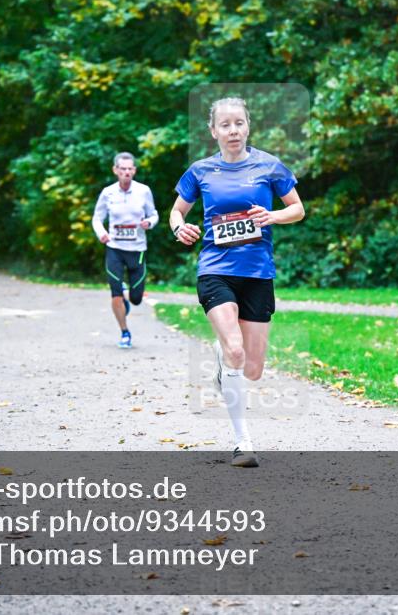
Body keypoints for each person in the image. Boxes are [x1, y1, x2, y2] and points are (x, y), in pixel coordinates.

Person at [169, 97, 305, 468]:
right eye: (225, 125)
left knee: (253, 368)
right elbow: (176, 211)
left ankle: (222, 356)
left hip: (258, 273)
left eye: (239, 123)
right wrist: (180, 227)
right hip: (215, 269)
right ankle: (242, 443)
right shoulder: (200, 171)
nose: (233, 131)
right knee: (235, 348)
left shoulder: (270, 166)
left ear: (248, 127)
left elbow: (298, 208)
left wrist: (273, 215)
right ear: (213, 131)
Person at [92, 152, 159, 348]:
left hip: (137, 249)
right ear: (115, 170)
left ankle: (127, 297)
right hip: (114, 248)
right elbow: (97, 218)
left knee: (137, 298)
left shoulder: (144, 191)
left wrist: (149, 222)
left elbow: (154, 214)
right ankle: (125, 332)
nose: (126, 172)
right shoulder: (108, 193)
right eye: (123, 169)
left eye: (130, 169)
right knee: (115, 294)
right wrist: (101, 233)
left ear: (134, 171)